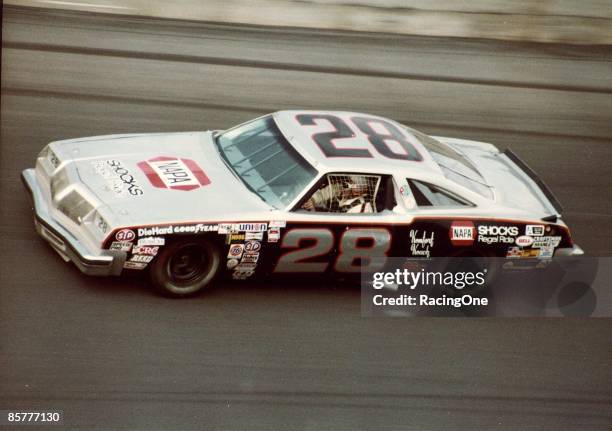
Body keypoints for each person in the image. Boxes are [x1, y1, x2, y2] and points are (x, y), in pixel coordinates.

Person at [302, 175, 374, 213]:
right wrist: (314, 200)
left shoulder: (362, 207)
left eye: (352, 184)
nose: (345, 186)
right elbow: (329, 191)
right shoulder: (344, 188)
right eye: (349, 181)